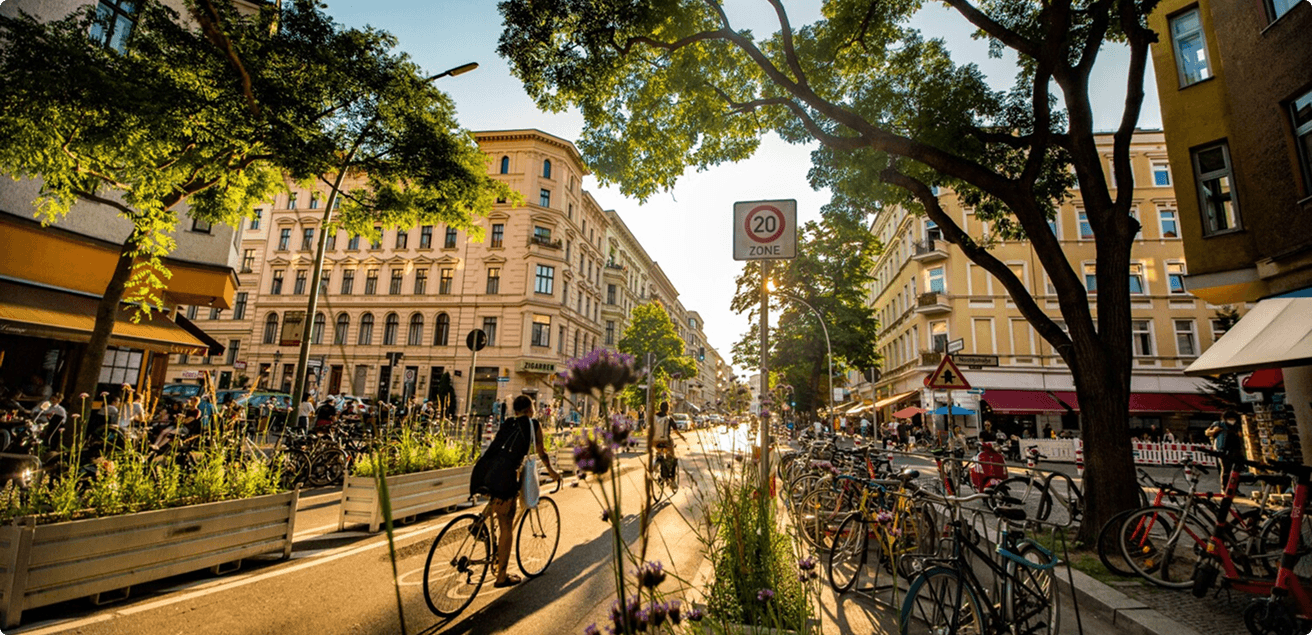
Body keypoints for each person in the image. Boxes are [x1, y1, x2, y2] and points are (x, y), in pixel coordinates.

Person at [477, 395, 561, 588]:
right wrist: (552, 472)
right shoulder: (533, 424)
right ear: (531, 410)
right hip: (506, 476)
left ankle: (479, 525)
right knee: (506, 526)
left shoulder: (508, 423)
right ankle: (502, 576)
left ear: (515, 411)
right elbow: (541, 451)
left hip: (485, 471)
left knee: (496, 499)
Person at [1207, 410, 1245, 489]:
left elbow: (1240, 436)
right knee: (1225, 469)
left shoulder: (1236, 426)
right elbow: (1207, 432)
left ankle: (1234, 488)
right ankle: (1225, 487)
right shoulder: (1219, 424)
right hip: (1222, 449)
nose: (1232, 421)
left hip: (1235, 449)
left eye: (1233, 419)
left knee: (1235, 470)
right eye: (1230, 418)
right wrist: (1214, 431)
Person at [652, 402, 687, 484]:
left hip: (655, 441)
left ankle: (657, 462)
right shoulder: (669, 418)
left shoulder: (654, 417)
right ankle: (672, 480)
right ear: (668, 409)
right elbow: (676, 431)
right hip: (666, 441)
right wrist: (682, 437)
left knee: (659, 452)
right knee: (671, 458)